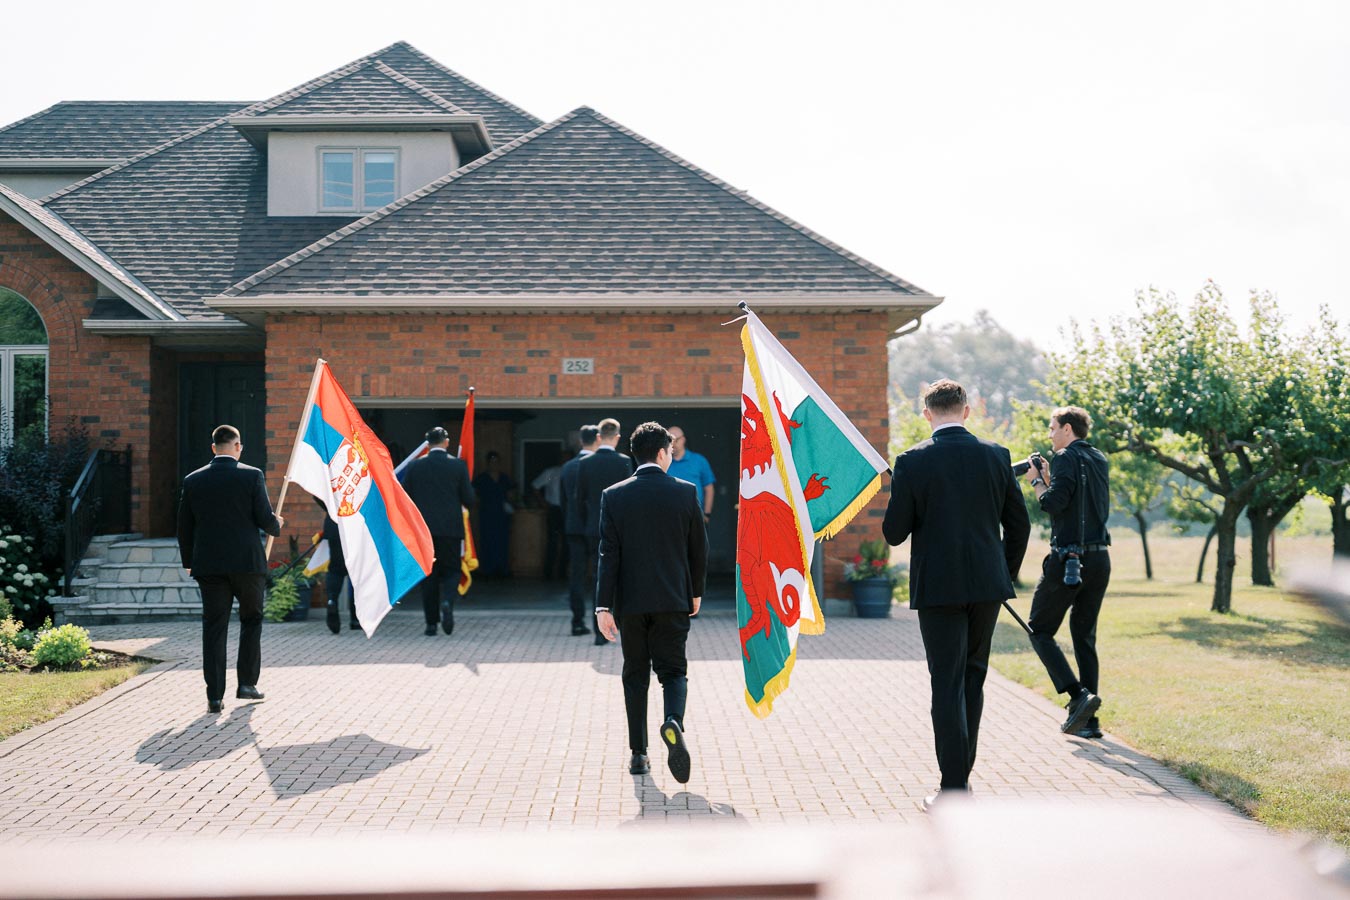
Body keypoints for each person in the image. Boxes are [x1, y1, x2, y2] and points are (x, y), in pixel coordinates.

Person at [882, 380, 1029, 809]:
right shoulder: (996, 456)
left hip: (938, 588)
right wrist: (1005, 572)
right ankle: (961, 779)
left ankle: (954, 788)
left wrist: (899, 491)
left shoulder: (911, 461)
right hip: (987, 585)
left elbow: (894, 534)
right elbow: (1019, 525)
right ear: (966, 410)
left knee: (945, 684)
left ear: (926, 414)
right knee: (973, 679)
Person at [595, 422, 708, 783]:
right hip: (673, 598)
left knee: (635, 676)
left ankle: (639, 754)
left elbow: (607, 554)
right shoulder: (686, 492)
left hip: (630, 604)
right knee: (673, 672)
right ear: (662, 453)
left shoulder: (613, 495)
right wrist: (695, 591)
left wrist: (602, 606)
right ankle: (673, 720)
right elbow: (698, 550)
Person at [177, 424, 284, 714]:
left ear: (213, 448)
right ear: (238, 446)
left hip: (209, 565)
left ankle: (214, 695)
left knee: (214, 628)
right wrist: (277, 524)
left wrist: (188, 561)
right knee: (251, 620)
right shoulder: (252, 476)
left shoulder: (192, 480)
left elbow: (184, 527)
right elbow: (265, 519)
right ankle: (247, 684)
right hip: (247, 564)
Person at [1022, 406, 1112, 738]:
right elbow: (1075, 501)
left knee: (1038, 629)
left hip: (1069, 558)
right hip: (1100, 559)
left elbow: (1053, 504)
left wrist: (1036, 481)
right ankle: (1090, 722)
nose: (1050, 434)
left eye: (1052, 428)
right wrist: (1050, 477)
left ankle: (1078, 696)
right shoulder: (1099, 458)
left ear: (1068, 429)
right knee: (1084, 638)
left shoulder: (1065, 458)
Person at [402, 426, 476, 636]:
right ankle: (447, 603)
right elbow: (469, 499)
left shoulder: (415, 467)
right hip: (451, 529)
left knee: (429, 576)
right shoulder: (458, 466)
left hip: (424, 531)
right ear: (446, 442)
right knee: (452, 571)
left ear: (428, 443)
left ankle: (431, 624)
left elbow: (405, 499)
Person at [577, 417, 634, 645]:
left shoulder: (585, 463)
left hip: (593, 527)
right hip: (620, 529)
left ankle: (599, 631)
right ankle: (620, 625)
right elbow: (630, 499)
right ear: (618, 438)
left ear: (599, 437)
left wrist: (587, 522)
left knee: (598, 577)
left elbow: (578, 499)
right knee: (622, 576)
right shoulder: (623, 462)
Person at [560, 425, 600, 636]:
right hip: (594, 526)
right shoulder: (596, 464)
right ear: (597, 440)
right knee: (598, 574)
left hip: (574, 526)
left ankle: (577, 620)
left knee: (576, 575)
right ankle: (598, 620)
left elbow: (563, 501)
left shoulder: (567, 467)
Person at [473, 450, 515, 578]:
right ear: (487, 463)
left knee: (502, 541)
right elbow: (474, 494)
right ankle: (487, 569)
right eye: (491, 462)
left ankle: (502, 569)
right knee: (487, 541)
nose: (494, 465)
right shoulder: (482, 478)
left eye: (496, 462)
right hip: (487, 514)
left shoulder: (504, 478)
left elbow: (511, 493)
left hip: (501, 515)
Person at [317, 497, 356, 634]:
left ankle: (332, 601)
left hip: (334, 526)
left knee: (335, 569)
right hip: (355, 526)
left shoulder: (331, 476)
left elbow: (317, 493)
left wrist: (330, 508)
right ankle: (356, 618)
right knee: (357, 571)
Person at [667, 426, 716, 526]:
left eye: (676, 440)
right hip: (669, 517)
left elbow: (709, 488)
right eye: (669, 440)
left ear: (683, 439)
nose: (673, 444)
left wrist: (707, 514)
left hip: (695, 515)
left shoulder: (699, 460)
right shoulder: (663, 461)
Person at [531, 452, 567, 581]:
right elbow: (535, 486)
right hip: (554, 509)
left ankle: (563, 574)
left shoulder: (574, 470)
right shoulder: (550, 472)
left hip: (567, 510)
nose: (564, 460)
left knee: (567, 543)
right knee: (552, 541)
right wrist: (543, 503)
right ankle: (548, 573)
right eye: (563, 457)